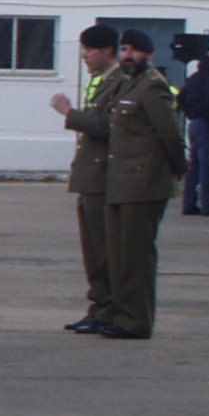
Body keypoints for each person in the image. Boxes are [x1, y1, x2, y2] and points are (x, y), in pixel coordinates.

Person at [91, 22, 189, 337]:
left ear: (149, 54)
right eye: (125, 50)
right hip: (121, 184)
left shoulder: (152, 86)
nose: (128, 55)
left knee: (136, 258)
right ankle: (122, 316)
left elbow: (171, 135)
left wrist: (175, 171)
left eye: (134, 50)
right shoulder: (127, 85)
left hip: (144, 184)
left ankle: (137, 321)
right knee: (120, 258)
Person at [50, 26, 123, 335]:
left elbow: (108, 125)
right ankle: (98, 306)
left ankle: (108, 308)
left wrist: (69, 113)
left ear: (106, 50)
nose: (84, 57)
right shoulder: (102, 81)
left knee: (104, 250)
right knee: (92, 251)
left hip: (104, 176)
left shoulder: (120, 82)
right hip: (91, 176)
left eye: (89, 51)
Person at [178, 42, 209, 214]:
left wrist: (191, 114)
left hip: (195, 124)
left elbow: (181, 98)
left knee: (194, 165)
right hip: (206, 124)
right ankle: (208, 205)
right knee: (208, 164)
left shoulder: (193, 78)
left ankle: (189, 203)